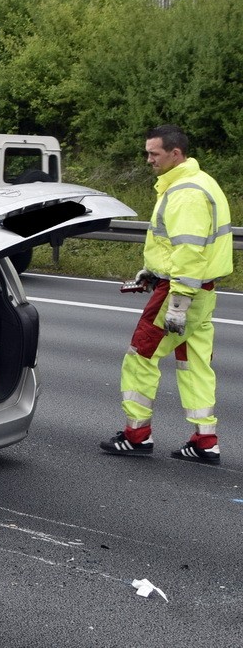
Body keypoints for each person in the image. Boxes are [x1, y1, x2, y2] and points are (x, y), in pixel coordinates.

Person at [101, 125, 233, 463]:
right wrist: (152, 271)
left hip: (181, 291)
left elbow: (189, 251)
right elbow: (183, 246)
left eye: (154, 154)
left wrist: (176, 302)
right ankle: (205, 441)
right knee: (195, 365)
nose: (148, 160)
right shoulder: (199, 183)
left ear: (176, 153)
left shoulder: (185, 192)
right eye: (147, 153)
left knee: (140, 357)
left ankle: (136, 435)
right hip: (202, 292)